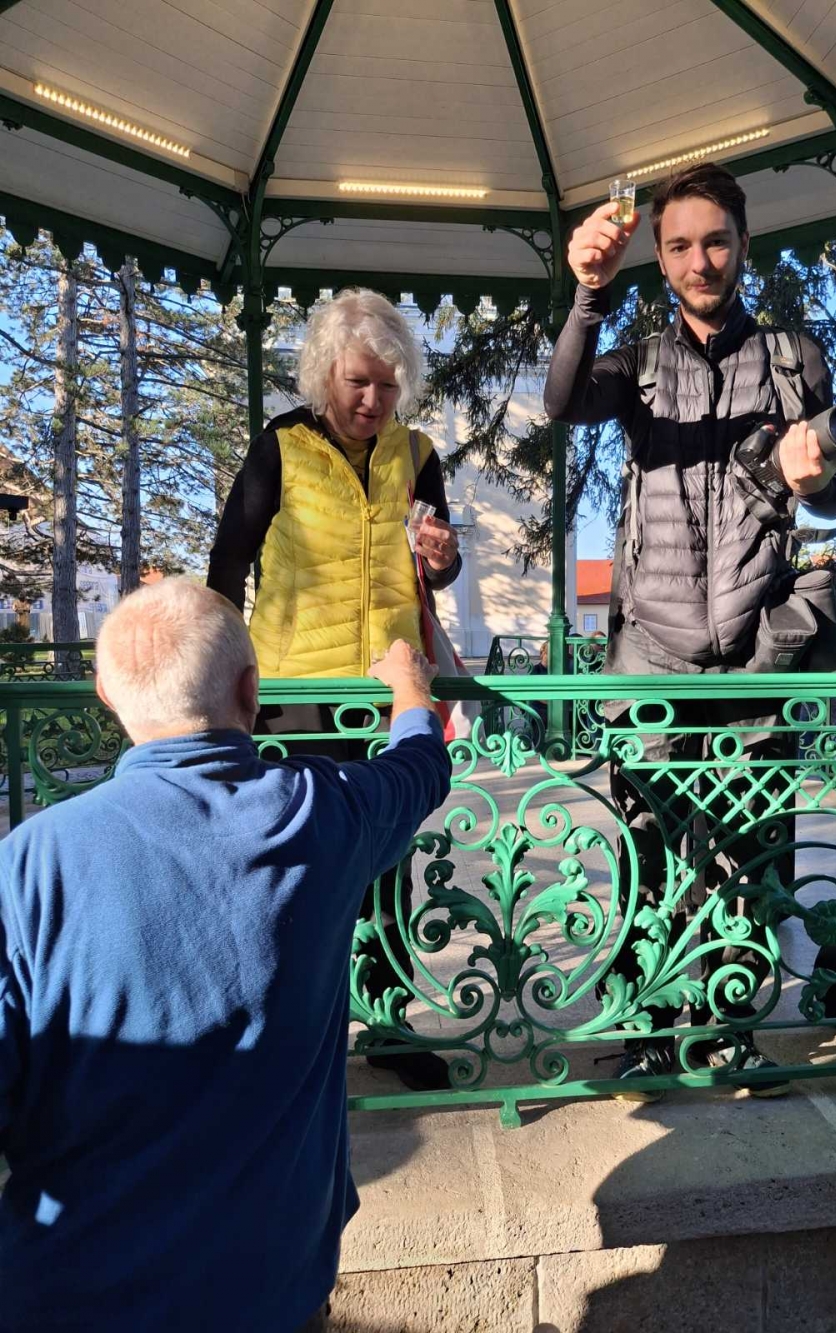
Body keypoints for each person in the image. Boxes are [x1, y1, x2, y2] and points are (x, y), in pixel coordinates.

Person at [0, 579, 450, 1333]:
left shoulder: (28, 865)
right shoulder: (319, 812)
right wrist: (408, 682)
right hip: (270, 1291)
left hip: (64, 1294)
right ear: (251, 688)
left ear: (107, 694)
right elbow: (419, 764)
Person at [544, 163, 836, 1099]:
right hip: (652, 654)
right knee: (651, 844)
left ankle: (741, 1025)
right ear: (660, 255)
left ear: (744, 245)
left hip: (760, 645)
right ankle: (653, 1026)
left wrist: (816, 477)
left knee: (759, 839)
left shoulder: (797, 358)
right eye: (678, 245)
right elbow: (562, 401)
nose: (698, 260)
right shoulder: (637, 362)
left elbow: (833, 497)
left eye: (714, 240)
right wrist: (588, 294)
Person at [208, 287, 460, 1092]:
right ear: (324, 372)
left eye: (387, 385)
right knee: (294, 865)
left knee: (388, 861)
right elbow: (227, 562)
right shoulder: (281, 445)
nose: (372, 400)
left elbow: (438, 573)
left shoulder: (418, 454)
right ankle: (283, 1024)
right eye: (358, 381)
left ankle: (386, 1025)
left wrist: (443, 555)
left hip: (389, 693)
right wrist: (227, 673)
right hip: (294, 692)